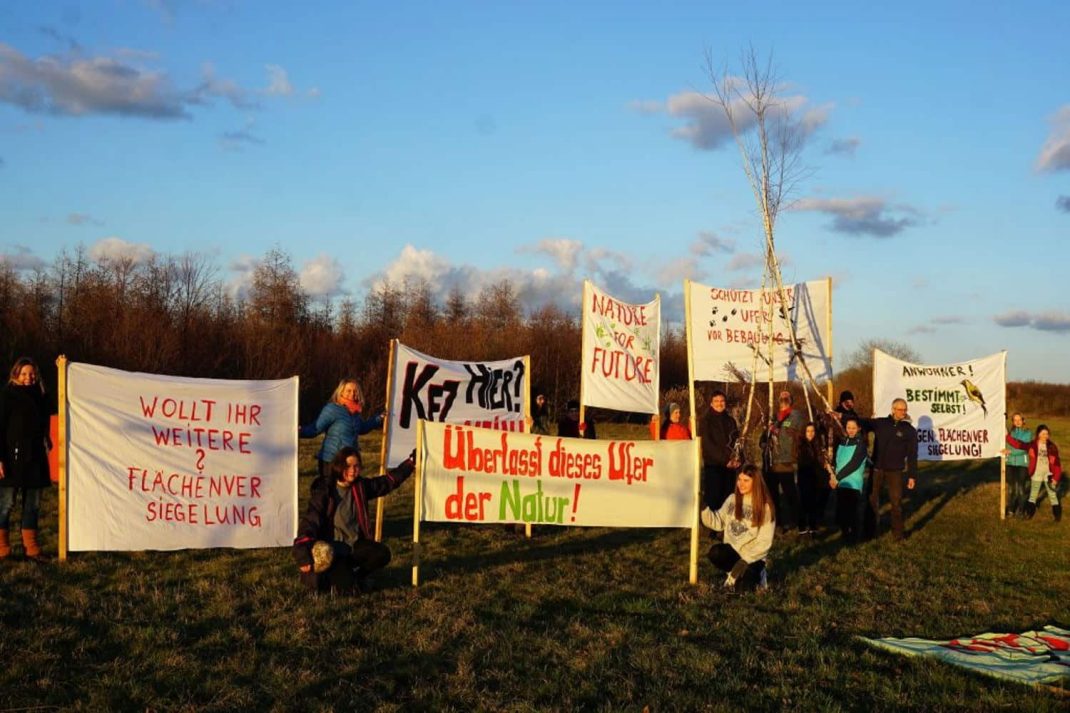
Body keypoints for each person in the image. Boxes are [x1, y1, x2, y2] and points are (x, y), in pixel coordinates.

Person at [292, 446, 416, 593]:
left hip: (355, 547)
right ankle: (342, 579)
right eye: (347, 466)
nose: (352, 470)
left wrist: (410, 463)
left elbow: (387, 482)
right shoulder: (324, 491)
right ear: (339, 467)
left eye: (356, 466)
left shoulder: (360, 486)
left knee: (382, 554)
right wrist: (302, 554)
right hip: (333, 551)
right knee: (347, 589)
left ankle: (356, 576)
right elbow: (310, 521)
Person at [0, 357, 53, 562]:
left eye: (31, 374)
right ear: (16, 374)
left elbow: (47, 417)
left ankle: (31, 548)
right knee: (5, 504)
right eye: (24, 374)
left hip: (36, 459)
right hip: (11, 459)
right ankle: (3, 549)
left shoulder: (42, 396)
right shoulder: (7, 395)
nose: (28, 377)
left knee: (33, 505)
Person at [700, 464, 775, 592]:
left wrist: (745, 561)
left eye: (746, 480)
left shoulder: (764, 507)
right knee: (715, 552)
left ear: (755, 483)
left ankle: (758, 574)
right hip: (733, 552)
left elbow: (765, 542)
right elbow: (718, 522)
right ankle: (733, 572)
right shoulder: (732, 499)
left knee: (743, 590)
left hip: (752, 557)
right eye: (739, 480)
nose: (741, 484)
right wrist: (703, 508)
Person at [299, 378, 384, 478]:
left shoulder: (355, 412)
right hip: (331, 461)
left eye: (355, 391)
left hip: (349, 461)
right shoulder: (332, 409)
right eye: (348, 391)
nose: (352, 394)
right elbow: (315, 429)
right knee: (331, 492)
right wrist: (298, 431)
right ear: (341, 392)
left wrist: (379, 418)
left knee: (347, 492)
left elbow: (362, 428)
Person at [866, 398, 918, 541]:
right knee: (872, 501)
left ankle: (898, 534)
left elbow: (913, 455)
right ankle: (870, 532)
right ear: (893, 409)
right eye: (901, 409)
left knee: (896, 503)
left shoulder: (909, 431)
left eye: (905, 409)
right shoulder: (881, 423)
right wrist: (841, 416)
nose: (903, 412)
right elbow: (863, 422)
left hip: (895, 471)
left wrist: (912, 475)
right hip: (877, 469)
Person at [762, 390, 802, 532]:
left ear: (791, 399)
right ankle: (776, 521)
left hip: (785, 460)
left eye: (787, 396)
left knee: (789, 491)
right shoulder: (773, 416)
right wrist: (764, 442)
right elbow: (764, 436)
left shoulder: (795, 415)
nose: (784, 398)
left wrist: (777, 427)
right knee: (772, 494)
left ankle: (796, 520)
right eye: (781, 397)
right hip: (771, 462)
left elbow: (790, 432)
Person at [1005, 424, 1062, 521]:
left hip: (1049, 475)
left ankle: (1057, 516)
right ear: (1038, 434)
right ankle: (1029, 514)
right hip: (1036, 474)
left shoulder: (1052, 447)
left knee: (1052, 495)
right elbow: (1018, 444)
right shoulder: (1032, 445)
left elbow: (1057, 464)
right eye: (1043, 434)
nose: (1045, 436)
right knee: (1033, 495)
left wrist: (1056, 478)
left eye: (1047, 434)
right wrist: (1006, 436)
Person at [699, 390, 740, 511]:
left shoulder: (730, 421)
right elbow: (707, 444)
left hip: (730, 466)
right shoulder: (705, 421)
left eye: (722, 401)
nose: (719, 403)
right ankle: (712, 527)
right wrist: (724, 459)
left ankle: (726, 524)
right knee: (714, 497)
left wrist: (737, 458)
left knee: (728, 497)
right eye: (716, 401)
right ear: (711, 403)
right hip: (714, 465)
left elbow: (736, 441)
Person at [829, 417, 868, 543]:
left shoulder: (861, 444)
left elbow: (853, 464)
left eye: (853, 428)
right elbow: (837, 460)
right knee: (842, 510)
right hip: (841, 483)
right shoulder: (842, 442)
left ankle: (855, 536)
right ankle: (845, 534)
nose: (851, 430)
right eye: (848, 428)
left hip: (853, 483)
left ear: (858, 429)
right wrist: (833, 475)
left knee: (852, 511)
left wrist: (837, 478)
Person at [795, 421, 829, 534]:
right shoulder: (800, 445)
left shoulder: (818, 444)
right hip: (805, 475)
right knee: (804, 501)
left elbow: (821, 460)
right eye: (808, 431)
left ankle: (813, 525)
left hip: (817, 476)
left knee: (815, 501)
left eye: (812, 431)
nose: (810, 433)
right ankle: (803, 526)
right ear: (804, 432)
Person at [1004, 413, 1032, 518]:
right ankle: (1011, 510)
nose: (1017, 422)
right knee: (1011, 489)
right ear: (1012, 422)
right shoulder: (1010, 433)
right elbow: (1005, 445)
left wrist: (1010, 451)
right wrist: (1004, 451)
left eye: (1019, 419)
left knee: (1021, 489)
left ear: (1023, 420)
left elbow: (1022, 448)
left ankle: (1021, 510)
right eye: (1015, 420)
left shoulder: (1027, 433)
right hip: (1010, 463)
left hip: (1022, 464)